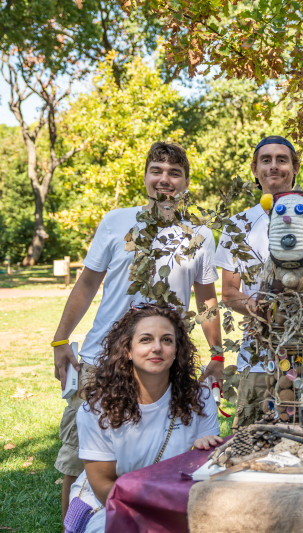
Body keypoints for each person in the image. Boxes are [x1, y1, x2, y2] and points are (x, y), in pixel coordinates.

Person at [51, 142, 221, 517]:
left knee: (164, 448)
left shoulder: (199, 235)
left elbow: (207, 299)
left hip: (162, 357)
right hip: (100, 360)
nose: (165, 179)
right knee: (79, 458)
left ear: (186, 183)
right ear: (145, 177)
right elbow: (87, 284)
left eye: (174, 172)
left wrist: (218, 353)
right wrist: (61, 339)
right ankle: (74, 525)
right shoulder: (116, 221)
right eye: (156, 170)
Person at [215, 135, 303, 431]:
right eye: (266, 160)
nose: (273, 166)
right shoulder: (239, 226)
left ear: (295, 167)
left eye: (282, 159)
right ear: (255, 169)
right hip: (258, 356)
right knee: (252, 437)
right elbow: (229, 293)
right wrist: (268, 316)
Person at [69, 305, 222, 533]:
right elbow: (103, 485)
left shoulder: (199, 398)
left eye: (167, 340)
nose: (157, 348)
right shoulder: (98, 409)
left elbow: (208, 473)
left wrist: (203, 453)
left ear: (177, 350)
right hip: (110, 504)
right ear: (128, 350)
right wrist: (154, 518)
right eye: (146, 340)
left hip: (174, 500)